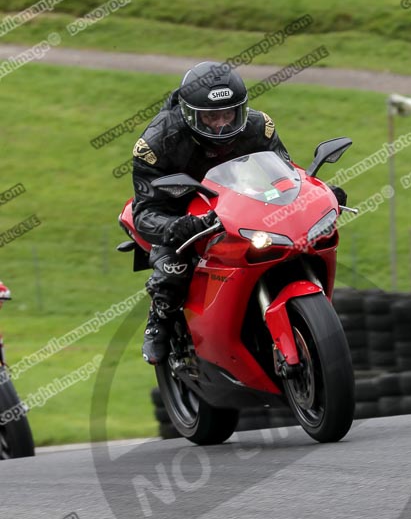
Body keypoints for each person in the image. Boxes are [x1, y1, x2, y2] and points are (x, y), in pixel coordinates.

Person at [132, 61, 346, 365]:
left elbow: (286, 176)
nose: (221, 124)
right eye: (211, 117)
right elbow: (145, 212)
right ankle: (160, 320)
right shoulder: (157, 143)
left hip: (240, 202)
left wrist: (320, 194)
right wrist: (176, 227)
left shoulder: (259, 126)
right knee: (173, 265)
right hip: (180, 208)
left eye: (228, 114)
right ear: (191, 115)